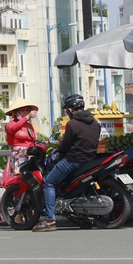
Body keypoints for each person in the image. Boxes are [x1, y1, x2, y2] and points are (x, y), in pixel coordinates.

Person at [32, 94, 101, 232]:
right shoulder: (95, 122)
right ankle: (85, 217)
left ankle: (50, 220)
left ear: (71, 109)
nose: (66, 112)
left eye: (66, 110)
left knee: (49, 182)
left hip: (74, 160)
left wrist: (60, 141)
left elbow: (65, 147)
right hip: (90, 160)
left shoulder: (72, 124)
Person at [4, 97, 38, 176]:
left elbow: (34, 139)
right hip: (18, 156)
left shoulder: (29, 125)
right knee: (19, 177)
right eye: (23, 110)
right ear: (16, 113)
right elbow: (13, 129)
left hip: (29, 155)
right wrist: (27, 117)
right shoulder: (11, 124)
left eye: (27, 110)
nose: (25, 112)